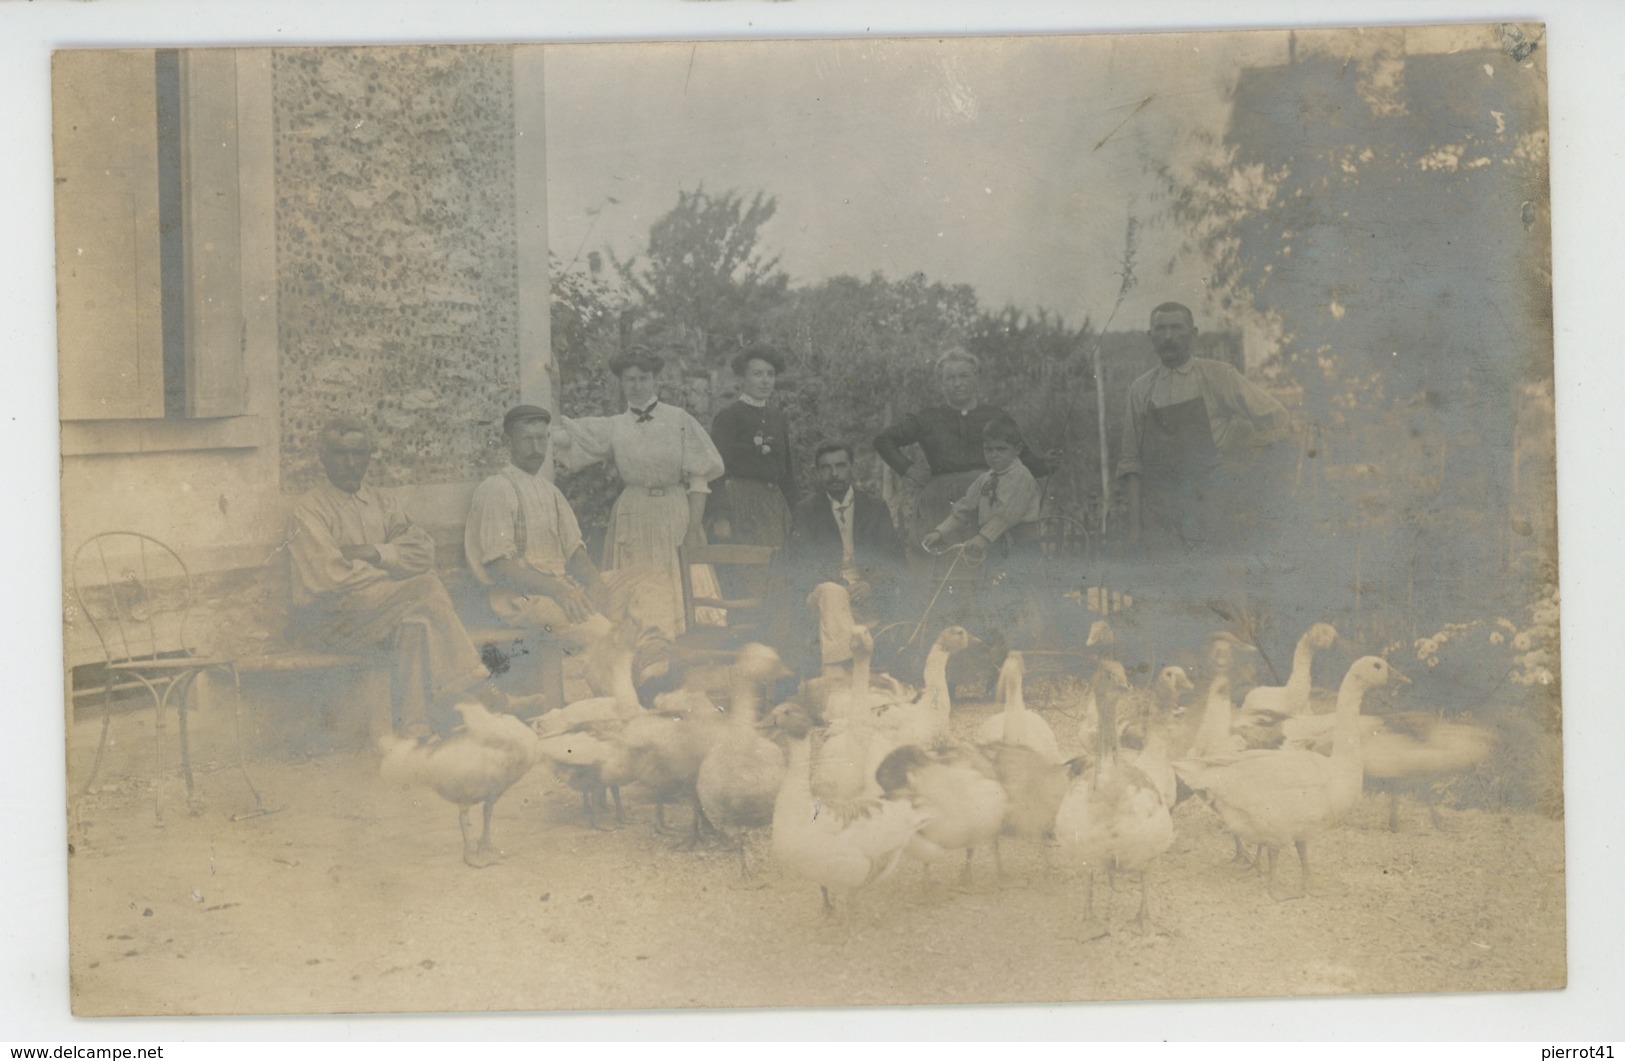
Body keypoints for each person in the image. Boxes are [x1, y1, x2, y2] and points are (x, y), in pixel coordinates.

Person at [287, 416, 489, 737]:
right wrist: (394, 569)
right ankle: (479, 689)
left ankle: (416, 730)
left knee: (416, 624)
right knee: (424, 587)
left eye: (359, 454)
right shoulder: (309, 510)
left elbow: (424, 552)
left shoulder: (382, 503)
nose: (351, 463)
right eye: (340, 454)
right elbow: (331, 576)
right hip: (332, 621)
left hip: (381, 611)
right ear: (323, 458)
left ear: (369, 456)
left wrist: (374, 553)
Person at [463, 405, 670, 694]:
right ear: (509, 444)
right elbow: (501, 568)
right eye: (527, 440)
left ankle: (652, 661)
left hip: (563, 587)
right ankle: (627, 695)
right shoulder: (496, 489)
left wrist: (596, 582)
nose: (536, 448)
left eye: (541, 439)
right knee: (603, 631)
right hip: (521, 597)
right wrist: (558, 590)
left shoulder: (550, 491)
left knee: (649, 577)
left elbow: (575, 552)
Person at [549, 346, 727, 639]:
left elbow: (699, 477)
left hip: (673, 511)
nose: (637, 385)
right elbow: (560, 436)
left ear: (654, 379)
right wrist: (554, 389)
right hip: (633, 514)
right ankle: (641, 649)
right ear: (621, 382)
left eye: (643, 378)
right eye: (629, 379)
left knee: (679, 580)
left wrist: (694, 527)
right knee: (635, 584)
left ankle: (684, 645)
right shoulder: (615, 426)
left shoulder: (678, 419)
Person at [1117, 302, 1294, 554]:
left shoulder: (1218, 375)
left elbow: (1276, 418)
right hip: (1160, 518)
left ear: (1193, 333)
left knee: (1213, 588)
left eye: (1177, 328)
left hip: (1211, 511)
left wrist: (1241, 466)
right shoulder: (1141, 389)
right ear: (1150, 336)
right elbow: (1131, 461)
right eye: (1161, 329)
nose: (1168, 337)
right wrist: (1136, 530)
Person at [873, 347, 1054, 561]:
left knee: (984, 565)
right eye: (950, 378)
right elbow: (883, 440)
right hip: (939, 503)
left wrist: (1045, 464)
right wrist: (909, 469)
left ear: (977, 378)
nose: (957, 383)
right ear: (942, 383)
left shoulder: (995, 416)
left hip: (988, 499)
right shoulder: (929, 417)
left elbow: (1021, 457)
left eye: (963, 376)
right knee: (940, 564)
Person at [785, 441, 905, 614]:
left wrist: (869, 585)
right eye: (826, 468)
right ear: (817, 472)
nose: (834, 474)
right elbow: (799, 563)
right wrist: (839, 587)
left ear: (852, 468)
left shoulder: (875, 508)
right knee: (832, 595)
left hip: (868, 593)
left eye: (840, 466)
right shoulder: (806, 511)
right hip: (824, 593)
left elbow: (895, 559)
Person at [706, 345, 797, 551]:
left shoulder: (778, 418)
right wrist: (722, 516)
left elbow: (787, 471)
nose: (765, 381)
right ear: (741, 379)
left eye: (770, 374)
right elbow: (716, 471)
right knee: (748, 569)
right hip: (741, 505)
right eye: (757, 374)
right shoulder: (729, 417)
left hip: (774, 506)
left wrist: (795, 512)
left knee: (776, 569)